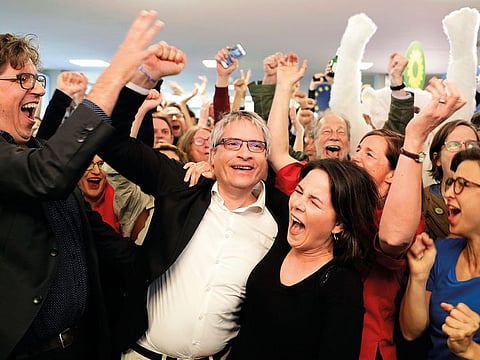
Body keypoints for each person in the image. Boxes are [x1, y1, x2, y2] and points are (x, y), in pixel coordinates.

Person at [266, 52, 466, 360]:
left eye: (369, 154)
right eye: (358, 149)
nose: (356, 157)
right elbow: (278, 155)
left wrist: (414, 138)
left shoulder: (396, 214)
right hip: (307, 339)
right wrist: (283, 86)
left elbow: (394, 239)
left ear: (390, 178)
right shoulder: (333, 191)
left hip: (364, 347)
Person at [0, 10, 165, 359]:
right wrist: (119, 68)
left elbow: (97, 236)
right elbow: (47, 176)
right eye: (22, 79)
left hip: (79, 345)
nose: (38, 89)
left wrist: (169, 268)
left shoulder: (39, 150)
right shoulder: (33, 164)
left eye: (37, 78)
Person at [99, 84, 289, 358]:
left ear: (265, 158)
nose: (245, 153)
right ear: (212, 154)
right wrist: (143, 81)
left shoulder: (281, 217)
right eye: (232, 144)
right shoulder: (182, 186)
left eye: (256, 146)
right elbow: (113, 142)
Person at [227, 158, 378, 359]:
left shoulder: (342, 285)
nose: (298, 204)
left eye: (314, 202)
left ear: (339, 224)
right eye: (299, 191)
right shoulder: (283, 237)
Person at [400, 147, 480, 359]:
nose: (448, 193)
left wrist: (471, 350)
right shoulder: (442, 251)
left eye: (462, 184)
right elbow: (410, 332)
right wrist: (418, 277)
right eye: (451, 183)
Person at [423, 119, 480, 240]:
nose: (463, 150)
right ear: (437, 159)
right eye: (453, 145)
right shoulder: (422, 201)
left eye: (471, 145)